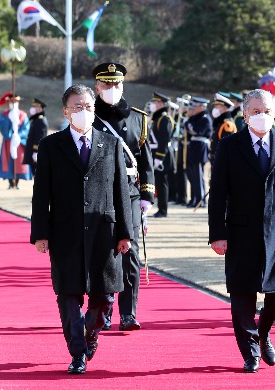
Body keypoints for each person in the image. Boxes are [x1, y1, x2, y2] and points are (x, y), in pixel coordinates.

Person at [30, 84, 133, 374]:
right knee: (69, 294)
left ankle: (90, 335)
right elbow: (41, 194)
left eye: (88, 106)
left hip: (104, 231)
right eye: (77, 107)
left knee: (105, 297)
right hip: (65, 231)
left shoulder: (110, 144)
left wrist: (126, 232)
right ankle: (77, 353)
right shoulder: (51, 146)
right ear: (65, 112)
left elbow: (121, 191)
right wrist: (40, 233)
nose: (83, 111)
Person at [208, 89, 275, 373]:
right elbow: (217, 193)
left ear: (274, 114)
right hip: (240, 232)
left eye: (266, 111)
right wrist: (217, 233)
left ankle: (263, 331)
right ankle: (250, 351)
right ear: (245, 114)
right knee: (242, 295)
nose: (261, 116)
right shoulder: (230, 146)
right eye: (255, 111)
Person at [90, 62, 155, 331]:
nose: (112, 89)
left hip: (128, 191)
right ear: (97, 87)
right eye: (107, 84)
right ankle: (104, 310)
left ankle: (128, 313)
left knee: (130, 253)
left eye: (116, 84)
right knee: (102, 251)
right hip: (100, 191)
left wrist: (146, 197)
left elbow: (146, 162)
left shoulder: (138, 118)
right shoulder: (88, 115)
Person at [0, 92, 32, 188]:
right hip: (8, 141)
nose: (14, 104)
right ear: (8, 103)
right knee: (8, 161)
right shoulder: (5, 114)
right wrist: (8, 121)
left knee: (19, 161)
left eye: (15, 102)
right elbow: (2, 127)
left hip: (19, 142)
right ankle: (10, 182)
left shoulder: (23, 115)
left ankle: (17, 182)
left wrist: (18, 136)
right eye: (12, 102)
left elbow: (26, 128)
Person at [148, 92, 175, 218]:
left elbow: (164, 140)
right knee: (159, 182)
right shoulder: (158, 118)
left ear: (160, 104)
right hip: (156, 153)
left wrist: (159, 158)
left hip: (162, 155)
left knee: (162, 183)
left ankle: (163, 210)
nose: (152, 104)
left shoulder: (164, 119)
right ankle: (160, 209)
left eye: (155, 102)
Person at [185, 97, 213, 207]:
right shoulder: (197, 117)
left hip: (200, 148)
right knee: (192, 175)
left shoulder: (205, 118)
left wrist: (188, 124)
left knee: (198, 175)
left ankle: (201, 200)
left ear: (201, 107)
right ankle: (195, 198)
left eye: (195, 106)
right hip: (194, 147)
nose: (193, 108)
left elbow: (196, 131)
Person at [209, 93, 238, 166]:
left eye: (217, 106)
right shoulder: (220, 122)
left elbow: (228, 147)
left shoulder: (227, 124)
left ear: (224, 108)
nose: (215, 108)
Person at [23, 98, 49, 176]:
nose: (33, 109)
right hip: (32, 150)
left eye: (35, 107)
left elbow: (40, 137)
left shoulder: (41, 121)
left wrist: (36, 151)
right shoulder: (36, 120)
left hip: (36, 151)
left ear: (40, 109)